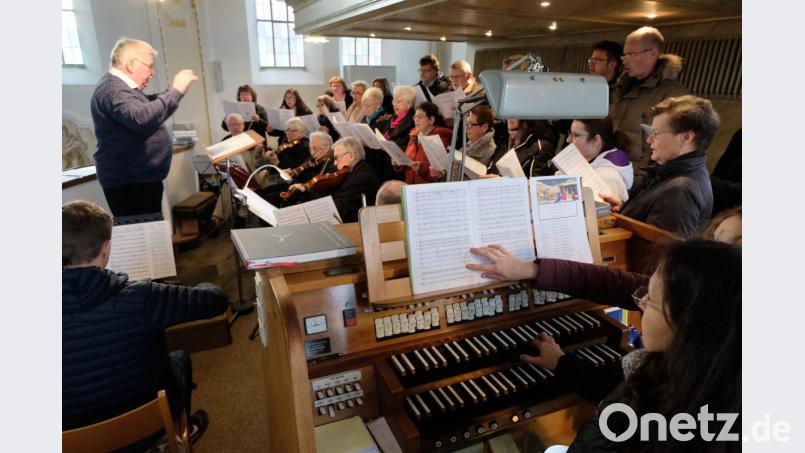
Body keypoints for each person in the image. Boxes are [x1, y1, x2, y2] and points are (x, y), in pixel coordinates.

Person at [468, 239, 740, 452]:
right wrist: (563, 363)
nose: (640, 304)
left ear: (688, 322)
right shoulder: (716, 373)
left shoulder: (643, 423)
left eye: (651, 298)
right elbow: (620, 392)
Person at [62, 200, 229, 449]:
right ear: (107, 247)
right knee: (179, 358)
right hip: (147, 426)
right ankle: (177, 434)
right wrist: (204, 285)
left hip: (70, 438)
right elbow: (216, 302)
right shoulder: (142, 297)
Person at [91, 37, 198, 217]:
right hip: (130, 183)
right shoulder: (112, 89)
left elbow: (147, 105)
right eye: (149, 66)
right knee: (143, 234)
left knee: (151, 231)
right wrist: (176, 90)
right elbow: (142, 118)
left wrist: (173, 92)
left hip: (138, 180)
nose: (153, 72)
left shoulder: (121, 88)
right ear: (131, 64)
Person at [609, 95, 719, 237]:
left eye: (655, 133)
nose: (649, 140)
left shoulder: (680, 192)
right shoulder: (674, 175)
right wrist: (626, 210)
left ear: (686, 137)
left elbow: (660, 249)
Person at [610, 26, 689, 188]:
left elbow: (677, 147)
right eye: (624, 55)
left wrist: (652, 180)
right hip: (615, 171)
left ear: (652, 53)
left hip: (643, 179)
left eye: (631, 54)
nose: (624, 60)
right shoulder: (621, 87)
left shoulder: (673, 95)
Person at [565, 117, 633, 204]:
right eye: (570, 134)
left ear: (596, 140)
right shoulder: (595, 161)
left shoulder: (606, 178)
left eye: (576, 135)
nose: (568, 140)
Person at [394, 102, 452, 184]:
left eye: (420, 117)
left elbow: (440, 172)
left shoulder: (440, 139)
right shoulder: (413, 137)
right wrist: (399, 163)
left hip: (427, 189)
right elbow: (408, 166)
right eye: (415, 117)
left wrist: (421, 168)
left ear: (431, 120)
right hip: (411, 187)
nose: (416, 120)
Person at [329, 137, 380, 222]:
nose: (335, 163)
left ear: (351, 156)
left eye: (337, 157)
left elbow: (340, 210)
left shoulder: (360, 178)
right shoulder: (358, 171)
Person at [361, 86, 395, 182]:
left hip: (379, 162)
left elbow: (384, 140)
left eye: (369, 105)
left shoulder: (387, 119)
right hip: (366, 160)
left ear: (378, 105)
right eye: (364, 105)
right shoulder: (364, 119)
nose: (365, 108)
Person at [381, 85, 417, 150]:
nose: (394, 104)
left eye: (398, 101)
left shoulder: (412, 121)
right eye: (394, 101)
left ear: (409, 103)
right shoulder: (392, 118)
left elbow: (403, 146)